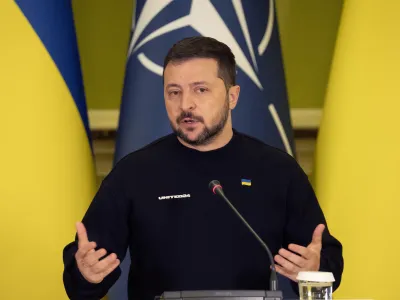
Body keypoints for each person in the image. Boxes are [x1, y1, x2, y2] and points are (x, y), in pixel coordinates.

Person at [62, 36, 343, 300]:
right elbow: (82, 276)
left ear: (232, 97)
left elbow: (326, 262)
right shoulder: (134, 173)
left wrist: (314, 269)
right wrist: (87, 275)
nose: (185, 105)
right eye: (174, 92)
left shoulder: (278, 171)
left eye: (201, 90)